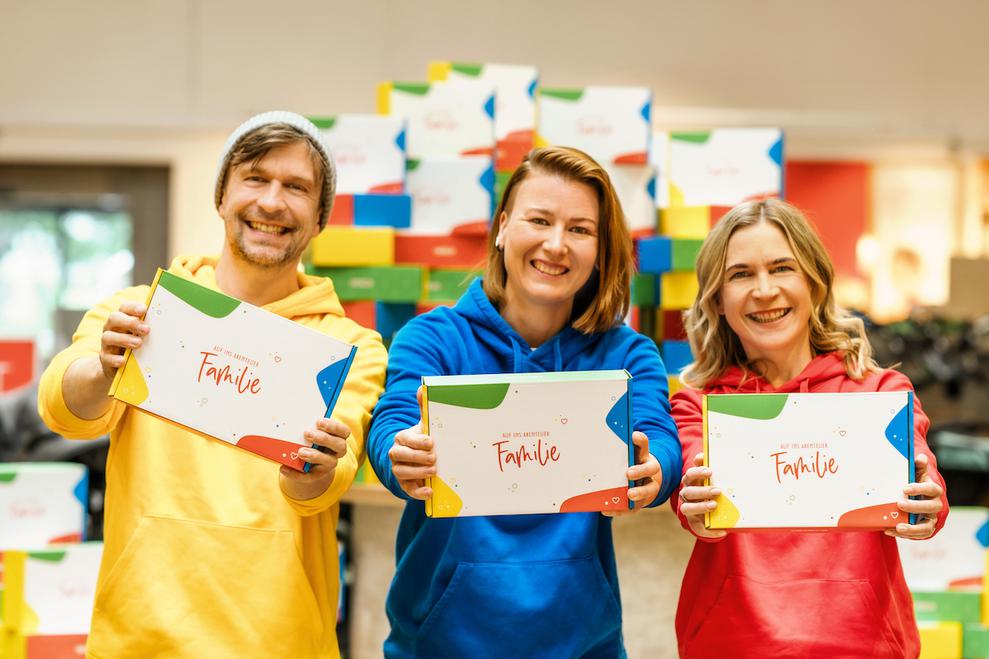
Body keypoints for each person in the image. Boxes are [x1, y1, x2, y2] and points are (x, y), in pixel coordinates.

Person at [37, 111, 387, 658]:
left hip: (278, 641)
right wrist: (106, 367)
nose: (272, 202)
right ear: (222, 195)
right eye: (255, 178)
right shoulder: (140, 312)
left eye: (296, 187)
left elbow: (321, 486)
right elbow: (63, 408)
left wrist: (315, 467)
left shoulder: (348, 349)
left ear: (319, 218)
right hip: (140, 636)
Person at [366, 146, 682, 658]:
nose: (556, 244)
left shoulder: (625, 353)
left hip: (582, 645)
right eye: (540, 220)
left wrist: (655, 467)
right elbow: (395, 418)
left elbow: (658, 433)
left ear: (601, 250)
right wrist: (397, 453)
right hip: (439, 644)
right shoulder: (433, 338)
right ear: (503, 227)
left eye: (580, 229)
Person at [671, 198, 947, 658]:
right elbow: (690, 489)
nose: (764, 290)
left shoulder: (880, 394)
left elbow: (922, 479)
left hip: (862, 644)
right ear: (717, 299)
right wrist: (693, 503)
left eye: (782, 268)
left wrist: (925, 502)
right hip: (733, 643)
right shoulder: (699, 405)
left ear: (814, 282)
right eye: (741, 274)